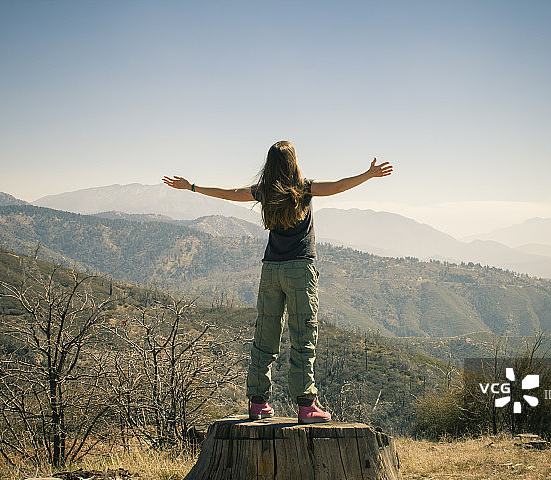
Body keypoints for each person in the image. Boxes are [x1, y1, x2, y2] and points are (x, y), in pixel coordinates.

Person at [163, 141, 392, 423]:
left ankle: (258, 402)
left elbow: (230, 194)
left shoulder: (264, 192)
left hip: (270, 270)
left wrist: (193, 187)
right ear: (293, 162)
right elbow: (339, 186)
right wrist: (367, 175)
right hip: (299, 270)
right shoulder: (304, 188)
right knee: (303, 337)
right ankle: (306, 405)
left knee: (265, 336)